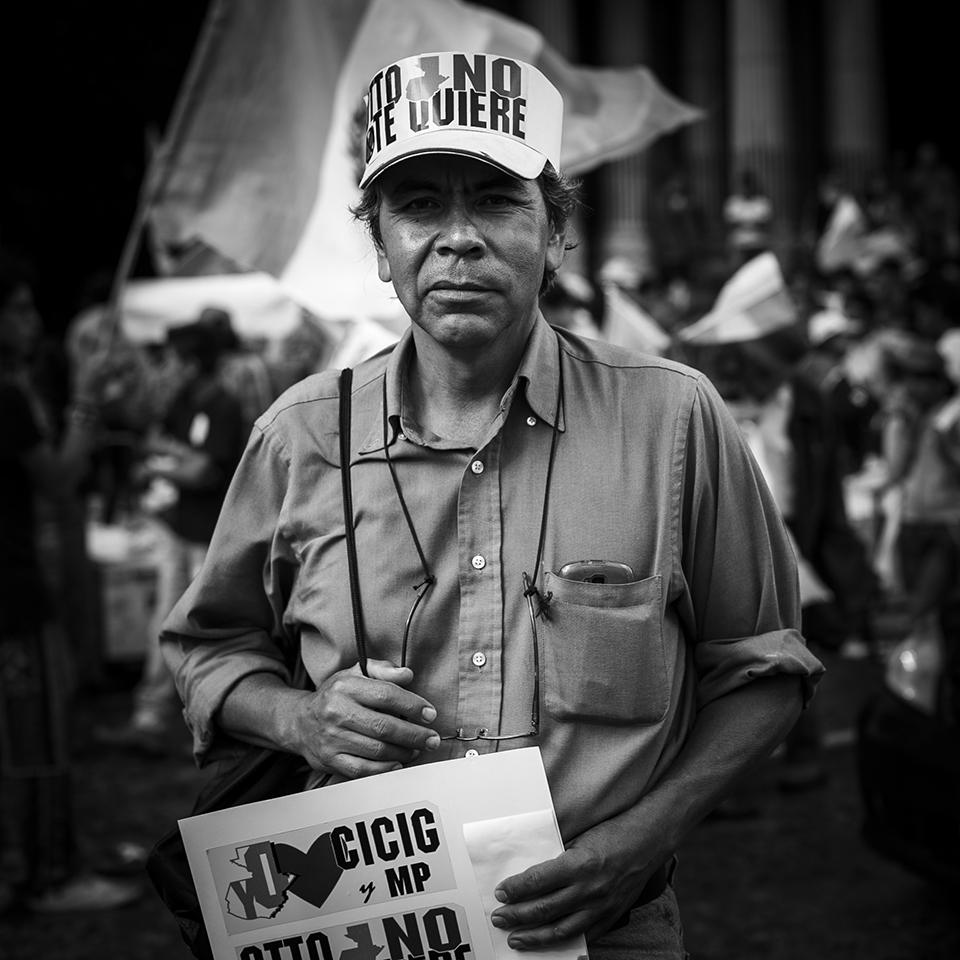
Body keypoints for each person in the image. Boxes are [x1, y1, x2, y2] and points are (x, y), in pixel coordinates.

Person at [160, 51, 823, 957]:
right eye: (421, 205)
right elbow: (209, 647)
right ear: (383, 248)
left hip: (607, 927)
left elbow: (763, 672)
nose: (458, 238)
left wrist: (643, 840)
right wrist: (300, 718)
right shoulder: (299, 435)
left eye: (497, 201)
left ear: (555, 235)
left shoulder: (672, 418)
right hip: (360, 924)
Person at [0, 250, 140, 912]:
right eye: (19, 309)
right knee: (37, 733)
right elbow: (57, 480)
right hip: (16, 597)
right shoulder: (6, 395)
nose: (32, 322)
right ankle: (45, 872)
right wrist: (83, 400)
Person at [99, 316, 245, 753]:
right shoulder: (183, 398)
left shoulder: (222, 404)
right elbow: (160, 448)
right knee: (168, 624)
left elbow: (204, 470)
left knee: (205, 630)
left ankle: (206, 721)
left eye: (174, 360)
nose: (167, 367)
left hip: (210, 537)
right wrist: (175, 459)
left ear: (192, 362)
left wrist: (168, 461)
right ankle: (156, 716)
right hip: (181, 530)